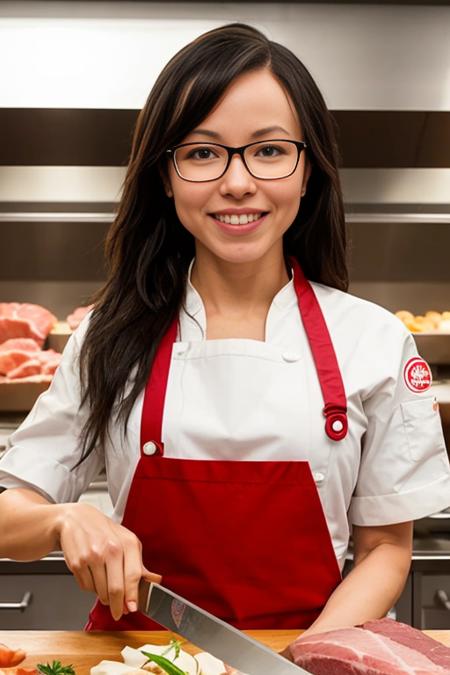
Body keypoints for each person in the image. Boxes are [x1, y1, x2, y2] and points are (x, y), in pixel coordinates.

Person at [0, 23, 449, 641]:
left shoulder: (372, 340)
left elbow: (384, 550)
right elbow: (9, 515)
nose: (237, 183)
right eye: (203, 152)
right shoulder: (111, 335)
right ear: (165, 174)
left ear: (308, 169)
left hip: (305, 652)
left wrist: (298, 660)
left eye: (268, 150)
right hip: (139, 657)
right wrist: (62, 520)